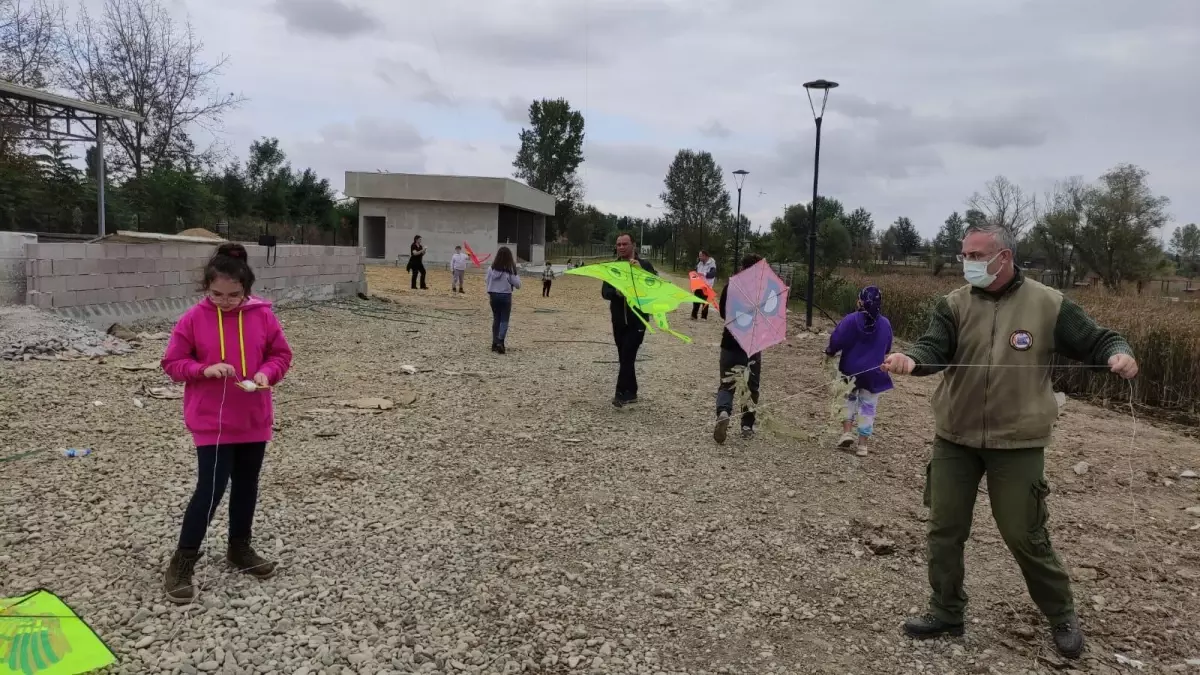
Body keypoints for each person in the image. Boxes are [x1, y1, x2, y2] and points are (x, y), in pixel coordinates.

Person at [881, 224, 1139, 659]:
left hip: (1018, 442)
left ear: (1004, 257)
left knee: (1025, 534)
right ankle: (946, 610)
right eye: (965, 254)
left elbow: (1099, 339)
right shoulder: (953, 304)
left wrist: (1119, 353)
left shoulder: (1048, 303)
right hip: (955, 437)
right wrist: (912, 360)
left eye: (977, 255)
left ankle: (1061, 614)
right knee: (945, 530)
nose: (968, 263)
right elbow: (932, 347)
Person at [160, 243, 294, 604]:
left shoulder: (263, 315)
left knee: (247, 485)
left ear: (246, 289)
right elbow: (172, 363)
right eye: (216, 294)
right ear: (206, 288)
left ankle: (240, 548)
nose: (224, 301)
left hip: (253, 418)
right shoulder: (192, 318)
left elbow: (280, 354)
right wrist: (203, 370)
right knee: (210, 489)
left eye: (233, 295)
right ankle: (182, 561)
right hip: (212, 423)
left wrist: (267, 374)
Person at [825, 285, 893, 455]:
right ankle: (863, 445)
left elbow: (836, 340)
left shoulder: (850, 319)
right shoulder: (885, 324)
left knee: (848, 400)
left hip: (850, 370)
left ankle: (847, 433)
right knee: (868, 407)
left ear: (861, 301)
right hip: (874, 374)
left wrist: (830, 352)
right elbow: (887, 348)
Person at [601, 233, 657, 407]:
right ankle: (631, 392)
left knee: (627, 356)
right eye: (618, 244)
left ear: (633, 245)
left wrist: (640, 270)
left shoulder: (645, 265)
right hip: (618, 321)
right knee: (624, 357)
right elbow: (605, 292)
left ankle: (619, 394)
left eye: (625, 244)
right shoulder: (612, 267)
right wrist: (616, 293)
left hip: (637, 321)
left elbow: (655, 286)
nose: (621, 247)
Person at [713, 253, 763, 443]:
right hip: (752, 345)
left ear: (742, 267)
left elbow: (723, 313)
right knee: (751, 387)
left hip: (730, 342)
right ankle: (747, 426)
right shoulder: (763, 291)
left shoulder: (731, 285)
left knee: (726, 384)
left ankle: (724, 412)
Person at [486, 246, 521, 354]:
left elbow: (486, 281)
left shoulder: (490, 269)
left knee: (496, 318)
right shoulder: (509, 270)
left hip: (493, 295)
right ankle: (501, 342)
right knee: (504, 319)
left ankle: (494, 342)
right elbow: (518, 285)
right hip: (505, 295)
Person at [692, 250, 717, 320]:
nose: (699, 257)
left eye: (701, 256)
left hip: (707, 287)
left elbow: (713, 274)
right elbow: (695, 271)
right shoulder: (699, 263)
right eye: (699, 256)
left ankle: (704, 317)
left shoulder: (712, 264)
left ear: (705, 256)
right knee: (696, 300)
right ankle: (694, 315)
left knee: (705, 303)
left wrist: (704, 274)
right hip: (698, 285)